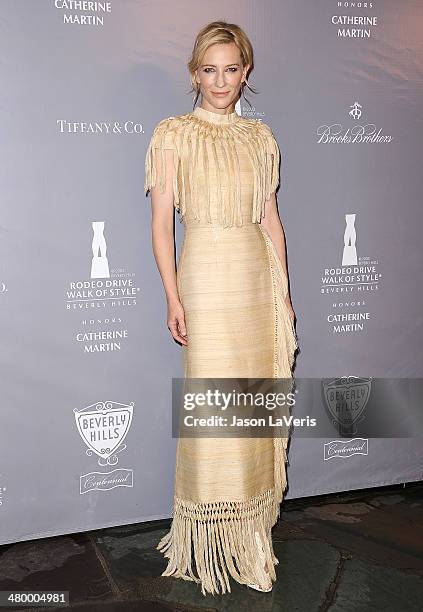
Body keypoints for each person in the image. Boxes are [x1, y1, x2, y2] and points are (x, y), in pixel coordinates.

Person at [144, 20, 299, 596]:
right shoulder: (172, 134)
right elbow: (162, 224)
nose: (221, 81)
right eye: (210, 70)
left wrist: (283, 293)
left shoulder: (261, 138)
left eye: (231, 69)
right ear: (194, 74)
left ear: (246, 72)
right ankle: (213, 545)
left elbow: (270, 219)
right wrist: (172, 293)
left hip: (256, 281)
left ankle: (251, 538)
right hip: (206, 276)